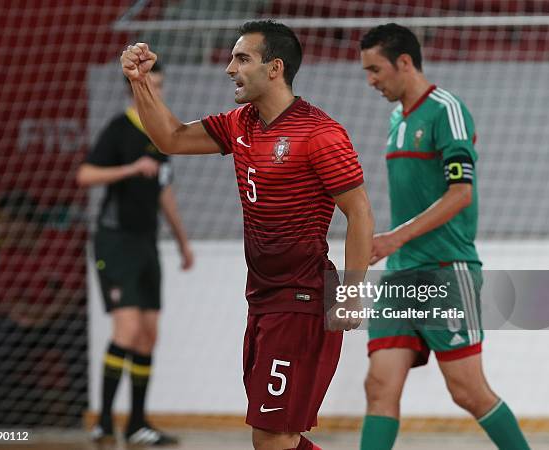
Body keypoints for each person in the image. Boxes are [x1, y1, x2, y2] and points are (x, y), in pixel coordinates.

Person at [121, 20, 374, 450]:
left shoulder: (319, 133)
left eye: (242, 59)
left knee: (272, 438)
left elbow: (361, 214)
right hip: (261, 300)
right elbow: (170, 137)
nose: (229, 69)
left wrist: (351, 295)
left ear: (274, 68)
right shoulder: (241, 122)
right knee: (277, 440)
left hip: (303, 300)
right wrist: (140, 82)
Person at [359, 24, 530, 450]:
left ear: (404, 62)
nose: (370, 81)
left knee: (467, 391)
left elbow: (461, 193)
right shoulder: (396, 117)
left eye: (375, 69)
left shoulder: (447, 110)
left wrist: (394, 238)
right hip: (401, 275)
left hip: (445, 271)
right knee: (379, 385)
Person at [77, 62, 194, 446]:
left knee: (148, 335)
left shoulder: (162, 134)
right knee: (126, 330)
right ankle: (104, 421)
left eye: (160, 85)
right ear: (135, 89)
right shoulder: (119, 128)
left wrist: (181, 241)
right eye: (150, 86)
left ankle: (138, 423)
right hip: (116, 241)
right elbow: (86, 175)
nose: (156, 93)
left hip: (146, 243)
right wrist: (130, 168)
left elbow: (165, 192)